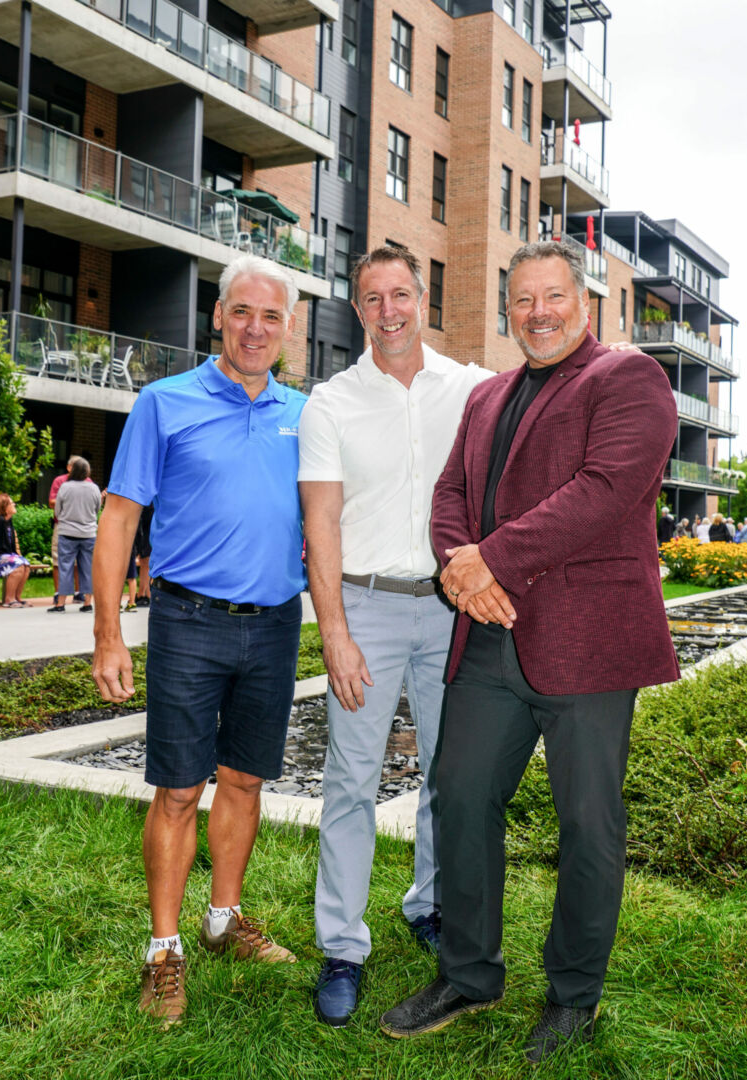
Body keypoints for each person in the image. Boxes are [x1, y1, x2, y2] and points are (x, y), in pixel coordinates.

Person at [380, 240, 680, 1062]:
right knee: (460, 795)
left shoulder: (628, 380)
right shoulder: (488, 397)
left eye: (552, 297)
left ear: (585, 304)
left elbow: (605, 489)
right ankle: (468, 975)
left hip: (588, 646)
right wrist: (458, 567)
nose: (537, 313)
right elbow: (451, 496)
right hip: (488, 640)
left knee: (589, 823)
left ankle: (574, 996)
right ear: (507, 309)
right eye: (521, 300)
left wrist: (490, 558)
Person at [91, 255, 305, 1026]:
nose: (255, 328)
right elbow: (117, 519)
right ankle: (164, 950)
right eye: (242, 311)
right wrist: (108, 633)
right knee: (179, 789)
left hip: (277, 625)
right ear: (218, 316)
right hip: (186, 623)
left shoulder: (304, 415)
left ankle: (223, 921)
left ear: (289, 327)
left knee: (244, 782)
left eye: (271, 316)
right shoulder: (164, 402)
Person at [298, 245, 493, 1027]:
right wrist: (335, 633)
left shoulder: (473, 390)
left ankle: (431, 903)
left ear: (423, 299)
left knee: (452, 775)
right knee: (351, 782)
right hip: (367, 607)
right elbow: (320, 526)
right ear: (358, 310)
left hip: (453, 608)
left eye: (401, 294)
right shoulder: (330, 403)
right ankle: (341, 946)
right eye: (373, 298)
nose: (389, 311)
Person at [48, 457, 102, 613]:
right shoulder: (94, 488)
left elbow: (57, 511)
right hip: (88, 533)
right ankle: (87, 603)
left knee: (65, 567)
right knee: (87, 568)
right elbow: (97, 509)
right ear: (87, 471)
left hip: (67, 532)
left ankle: (60, 604)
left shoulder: (65, 487)